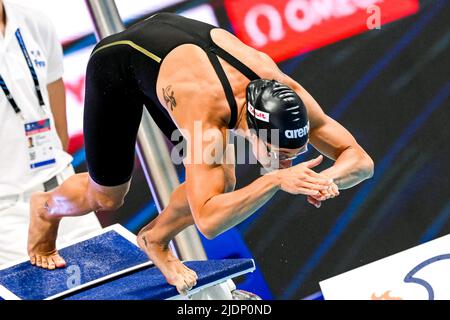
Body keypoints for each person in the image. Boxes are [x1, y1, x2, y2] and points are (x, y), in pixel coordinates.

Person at [28, 13, 374, 295]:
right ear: (253, 128)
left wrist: (323, 180)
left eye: (294, 153)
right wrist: (275, 181)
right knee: (107, 197)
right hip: (120, 65)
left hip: (176, 54)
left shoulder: (288, 96)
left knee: (221, 178)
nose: (289, 161)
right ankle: (46, 208)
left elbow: (360, 160)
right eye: (279, 153)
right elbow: (208, 220)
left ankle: (154, 239)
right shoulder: (208, 121)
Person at [0, 1, 101, 265]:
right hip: (5, 210)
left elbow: (59, 128)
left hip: (61, 192)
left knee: (109, 286)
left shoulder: (34, 22)